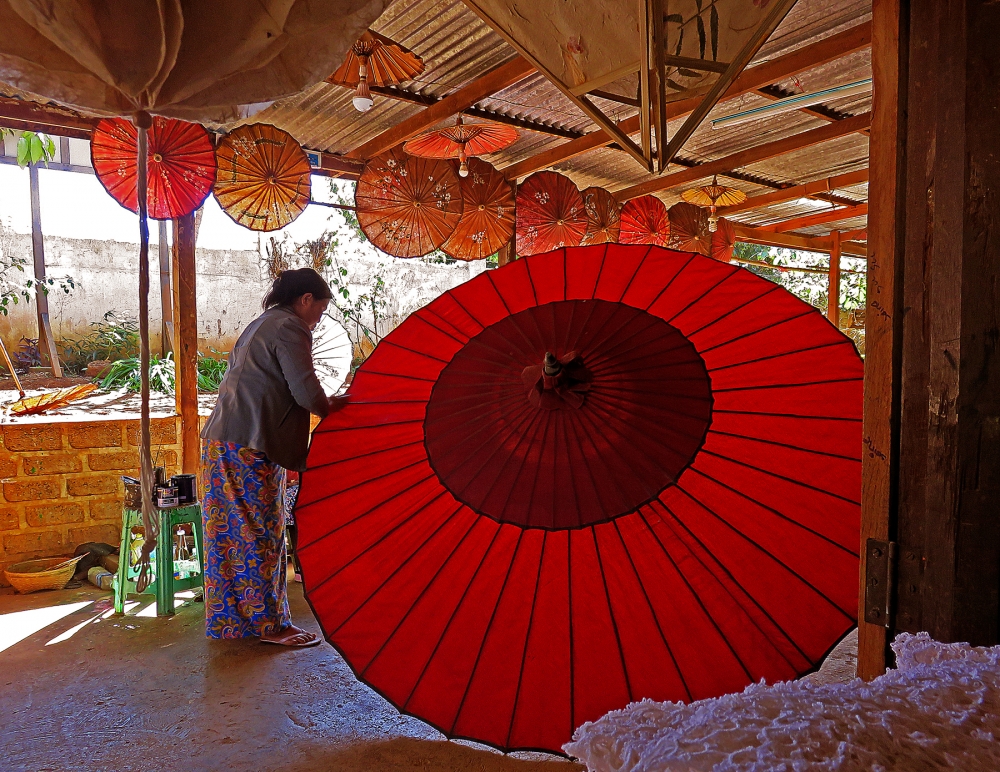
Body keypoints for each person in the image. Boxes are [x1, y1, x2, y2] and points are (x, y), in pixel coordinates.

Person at [200, 268, 346, 648]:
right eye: (321, 308)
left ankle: (232, 624)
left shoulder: (261, 323)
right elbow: (306, 393)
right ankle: (272, 626)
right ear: (305, 300)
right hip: (251, 442)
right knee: (262, 532)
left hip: (223, 440)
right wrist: (331, 405)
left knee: (230, 535)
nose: (318, 318)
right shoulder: (290, 327)